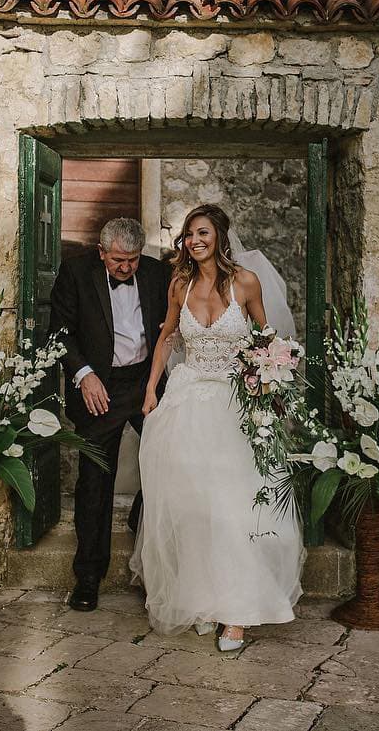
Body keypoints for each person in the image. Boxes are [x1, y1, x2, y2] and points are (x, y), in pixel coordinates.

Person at [129, 204, 304, 651]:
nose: (194, 240)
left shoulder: (246, 282)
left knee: (233, 509)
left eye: (202, 232)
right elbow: (167, 338)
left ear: (220, 236)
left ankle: (238, 612)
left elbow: (269, 339)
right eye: (189, 234)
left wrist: (270, 377)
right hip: (186, 403)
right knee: (194, 509)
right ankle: (206, 598)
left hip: (233, 406)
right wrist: (151, 390)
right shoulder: (180, 284)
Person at [49, 218, 171, 612]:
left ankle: (144, 527)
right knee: (94, 482)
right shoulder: (76, 272)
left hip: (147, 383)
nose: (126, 268)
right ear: (101, 252)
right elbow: (60, 332)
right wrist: (84, 375)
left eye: (133, 260)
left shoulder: (157, 273)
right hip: (99, 386)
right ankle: (87, 576)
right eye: (119, 260)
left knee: (170, 466)